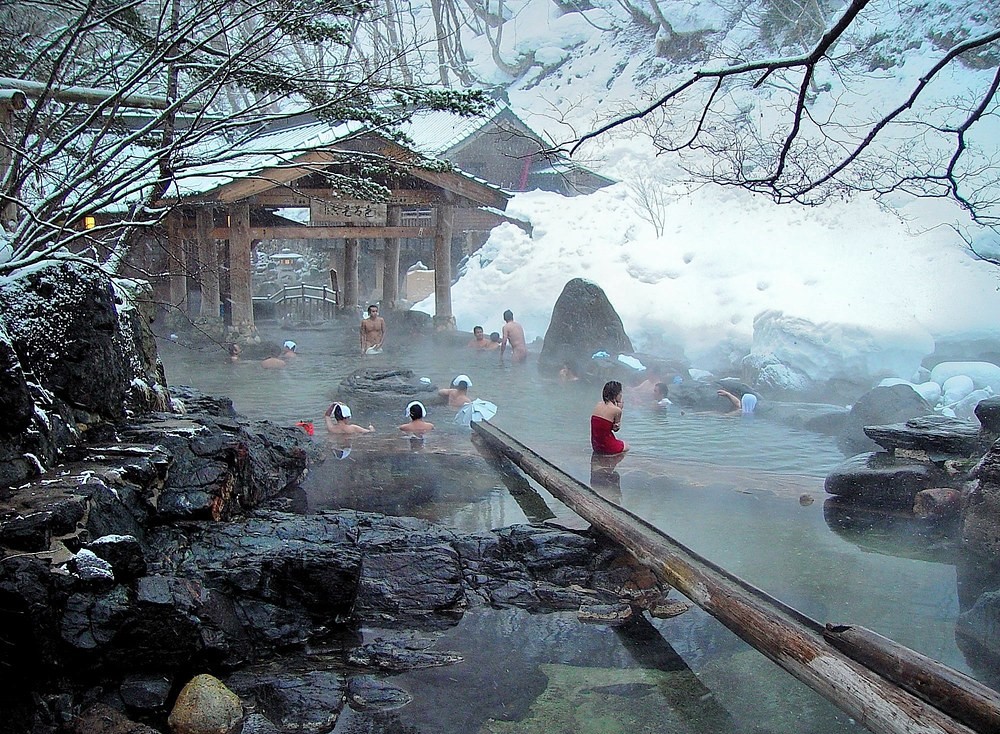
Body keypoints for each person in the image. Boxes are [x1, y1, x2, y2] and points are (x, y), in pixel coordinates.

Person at [591, 380, 629, 454]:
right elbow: (615, 428)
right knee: (627, 446)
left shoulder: (598, 404)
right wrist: (620, 408)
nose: (621, 395)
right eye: (620, 393)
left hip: (595, 445)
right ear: (616, 394)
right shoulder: (617, 410)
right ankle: (612, 464)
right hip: (607, 446)